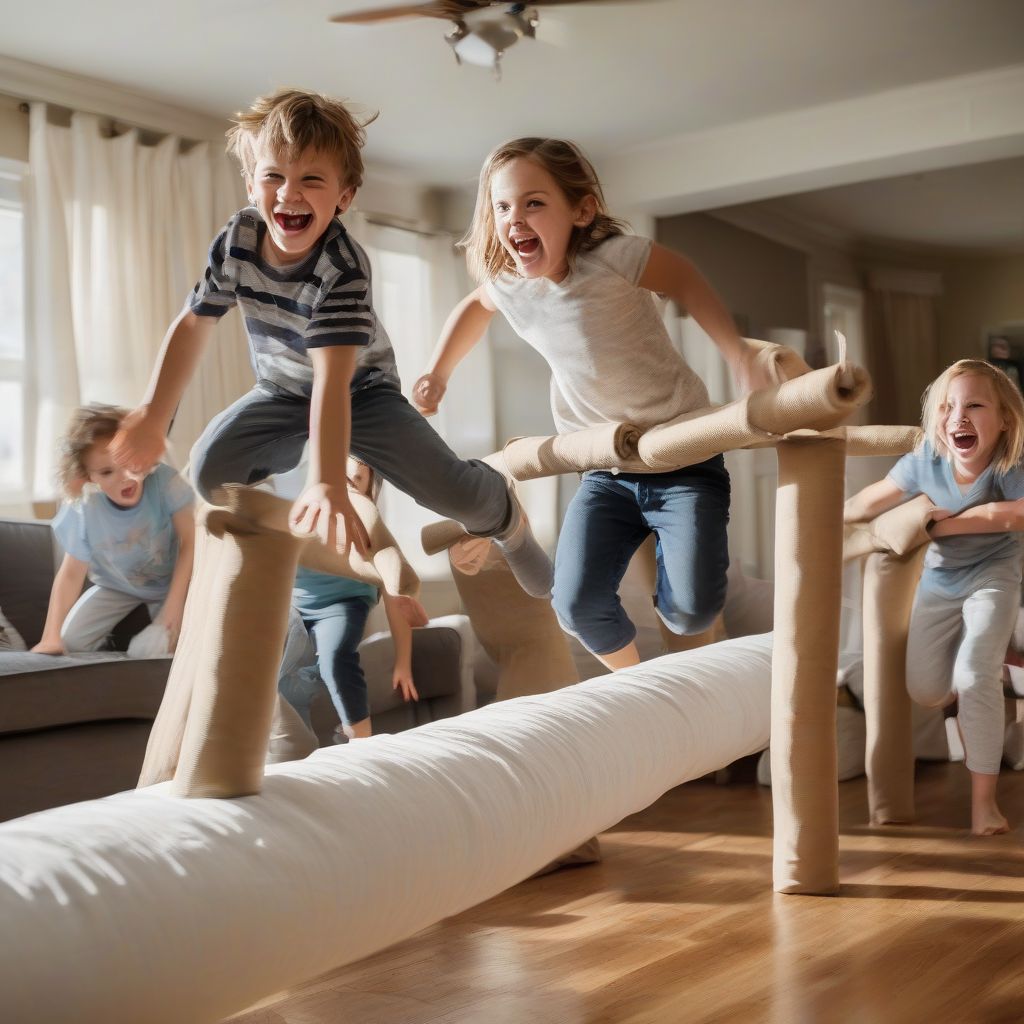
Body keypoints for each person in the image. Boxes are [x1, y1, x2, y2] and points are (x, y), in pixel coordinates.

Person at [109, 88, 551, 601]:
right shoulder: (238, 241)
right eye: (273, 176)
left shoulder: (341, 267)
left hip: (362, 393)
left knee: (454, 495)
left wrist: (326, 482)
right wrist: (151, 413)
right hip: (279, 390)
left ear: (344, 197)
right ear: (251, 184)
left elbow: (332, 379)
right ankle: (324, 480)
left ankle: (502, 505)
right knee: (211, 471)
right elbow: (193, 324)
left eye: (310, 180)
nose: (288, 194)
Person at [413, 137, 773, 670]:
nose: (515, 219)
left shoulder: (615, 258)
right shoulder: (511, 286)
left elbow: (686, 280)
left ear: (581, 210)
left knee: (692, 613)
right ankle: (641, 686)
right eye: (502, 206)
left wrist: (738, 354)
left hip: (684, 459)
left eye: (534, 203)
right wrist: (438, 373)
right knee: (575, 605)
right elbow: (474, 307)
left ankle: (687, 619)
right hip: (603, 469)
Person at [844, 359, 1024, 836]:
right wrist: (821, 519)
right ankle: (999, 654)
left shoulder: (1009, 462)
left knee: (972, 676)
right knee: (925, 690)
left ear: (1004, 418)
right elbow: (870, 500)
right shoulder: (928, 458)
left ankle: (984, 806)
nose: (957, 418)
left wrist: (944, 523)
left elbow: (1018, 514)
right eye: (948, 407)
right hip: (940, 584)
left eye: (975, 405)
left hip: (993, 577)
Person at [32, 404, 195, 656]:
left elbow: (190, 542)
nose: (125, 477)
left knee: (152, 651)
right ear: (88, 477)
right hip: (116, 586)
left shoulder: (165, 482)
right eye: (107, 472)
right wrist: (50, 636)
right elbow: (71, 574)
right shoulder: (84, 507)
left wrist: (174, 608)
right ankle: (115, 641)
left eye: (130, 462)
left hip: (170, 584)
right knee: (71, 642)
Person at [278, 457, 418, 739]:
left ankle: (360, 740)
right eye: (340, 478)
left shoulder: (368, 524)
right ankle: (296, 742)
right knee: (278, 670)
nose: (347, 487)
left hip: (344, 603)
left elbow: (395, 598)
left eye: (356, 481)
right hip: (296, 602)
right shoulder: (303, 511)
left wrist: (403, 662)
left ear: (368, 490)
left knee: (335, 658)